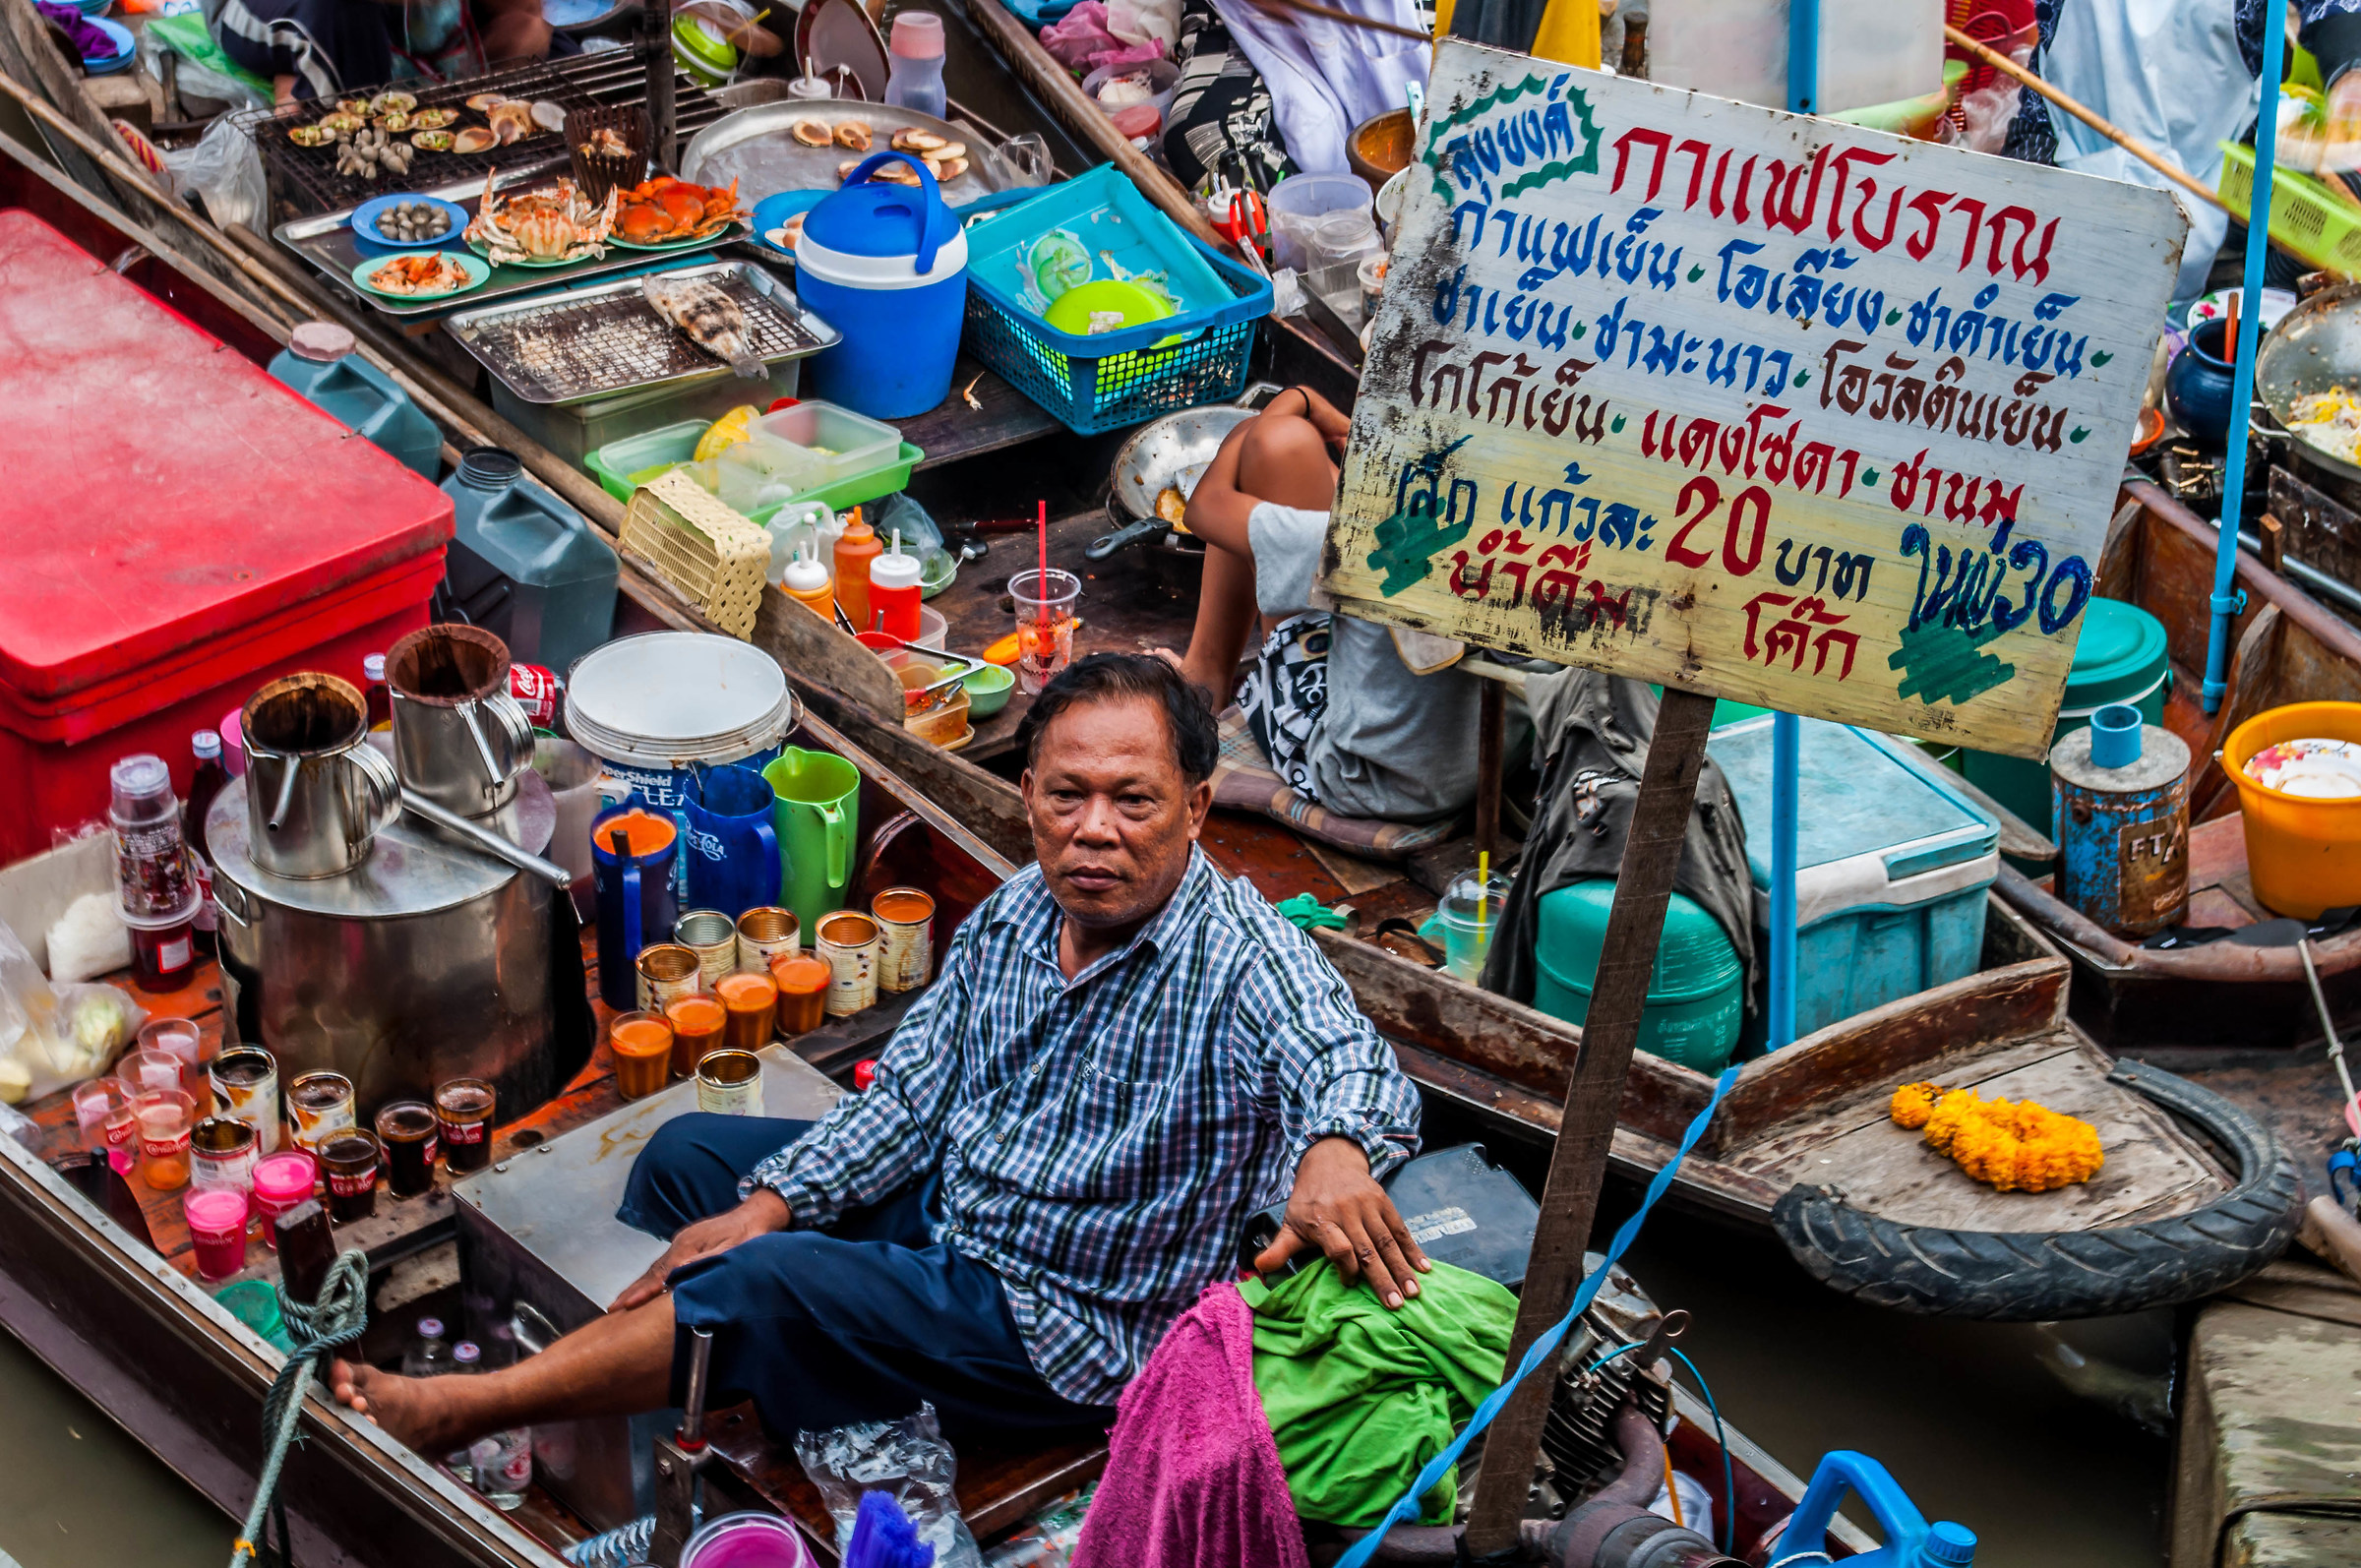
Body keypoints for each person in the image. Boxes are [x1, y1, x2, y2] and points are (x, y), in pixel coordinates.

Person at [330, 653, 1429, 1453]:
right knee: (695, 1160)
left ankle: (481, 1402)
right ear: (1030, 799)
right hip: (959, 1214)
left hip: (1067, 1326)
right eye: (1066, 795)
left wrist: (1335, 1147)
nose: (1095, 828)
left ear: (1193, 808)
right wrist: (773, 1202)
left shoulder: (1240, 954)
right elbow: (905, 1106)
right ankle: (778, 1337)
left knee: (763, 1278)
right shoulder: (1010, 916)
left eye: (1133, 800)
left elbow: (1349, 1060)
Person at [1171, 385, 1492, 823]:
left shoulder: (1363, 539)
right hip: (1484, 762)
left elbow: (1204, 506)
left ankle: (1204, 677)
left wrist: (1305, 399)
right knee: (1279, 449)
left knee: (1266, 439)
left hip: (1357, 775)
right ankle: (1203, 674)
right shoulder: (1508, 525)